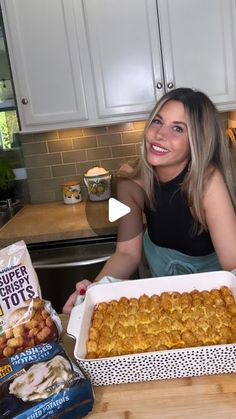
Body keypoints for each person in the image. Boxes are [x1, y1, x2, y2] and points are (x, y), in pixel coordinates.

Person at [63, 87, 236, 314]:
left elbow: (232, 264)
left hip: (213, 307)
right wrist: (94, 291)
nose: (160, 134)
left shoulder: (208, 182)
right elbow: (126, 253)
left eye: (177, 128)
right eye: (157, 121)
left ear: (197, 142)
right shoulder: (127, 181)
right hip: (162, 307)